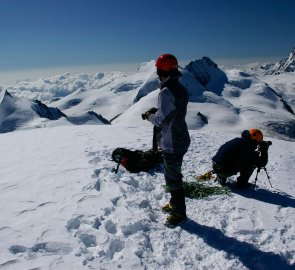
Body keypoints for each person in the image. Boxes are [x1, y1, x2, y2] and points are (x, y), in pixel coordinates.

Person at [142, 54, 191, 227]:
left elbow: (159, 120)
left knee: (172, 178)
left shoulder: (166, 92)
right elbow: (173, 112)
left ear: (161, 71)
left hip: (172, 142)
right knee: (173, 174)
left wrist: (149, 115)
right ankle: (175, 204)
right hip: (181, 137)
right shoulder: (181, 88)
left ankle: (179, 213)